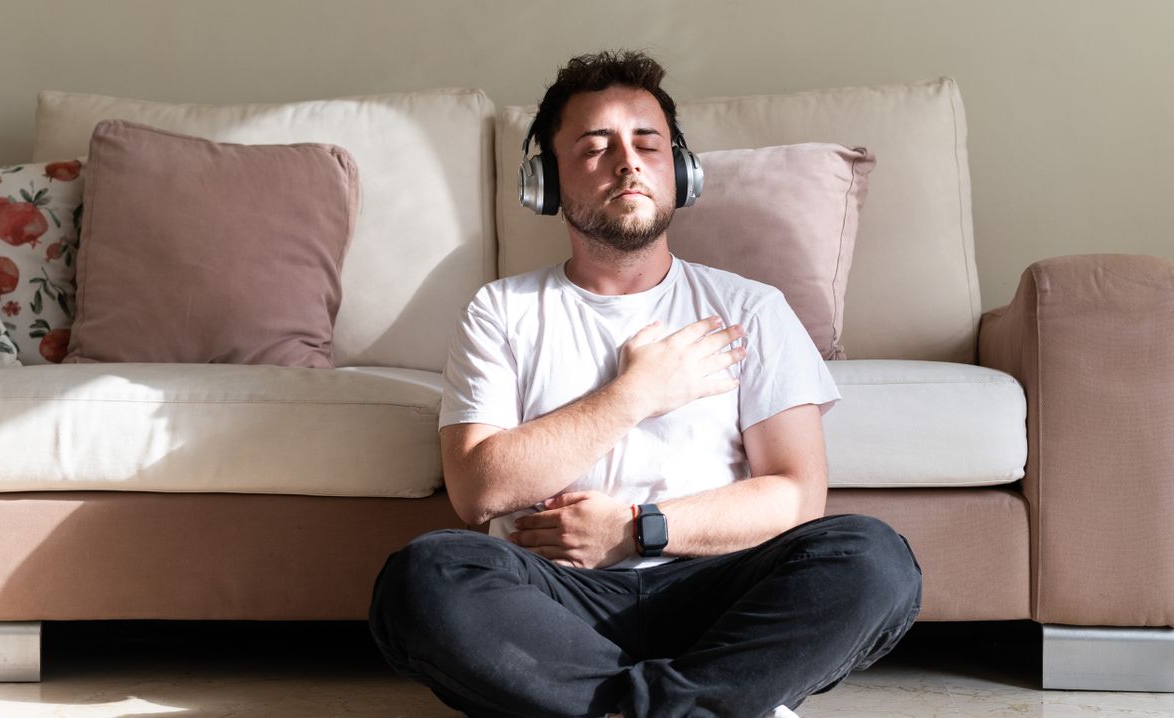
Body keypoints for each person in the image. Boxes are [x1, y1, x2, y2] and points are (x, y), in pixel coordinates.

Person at [369, 49, 922, 718]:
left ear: (680, 172)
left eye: (647, 144)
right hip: (553, 601)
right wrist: (637, 393)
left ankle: (608, 706)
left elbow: (797, 495)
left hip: (712, 589)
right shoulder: (501, 310)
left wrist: (636, 529)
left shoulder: (750, 308)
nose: (627, 163)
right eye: (596, 147)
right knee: (422, 578)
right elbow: (478, 490)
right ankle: (713, 700)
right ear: (544, 182)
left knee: (873, 558)